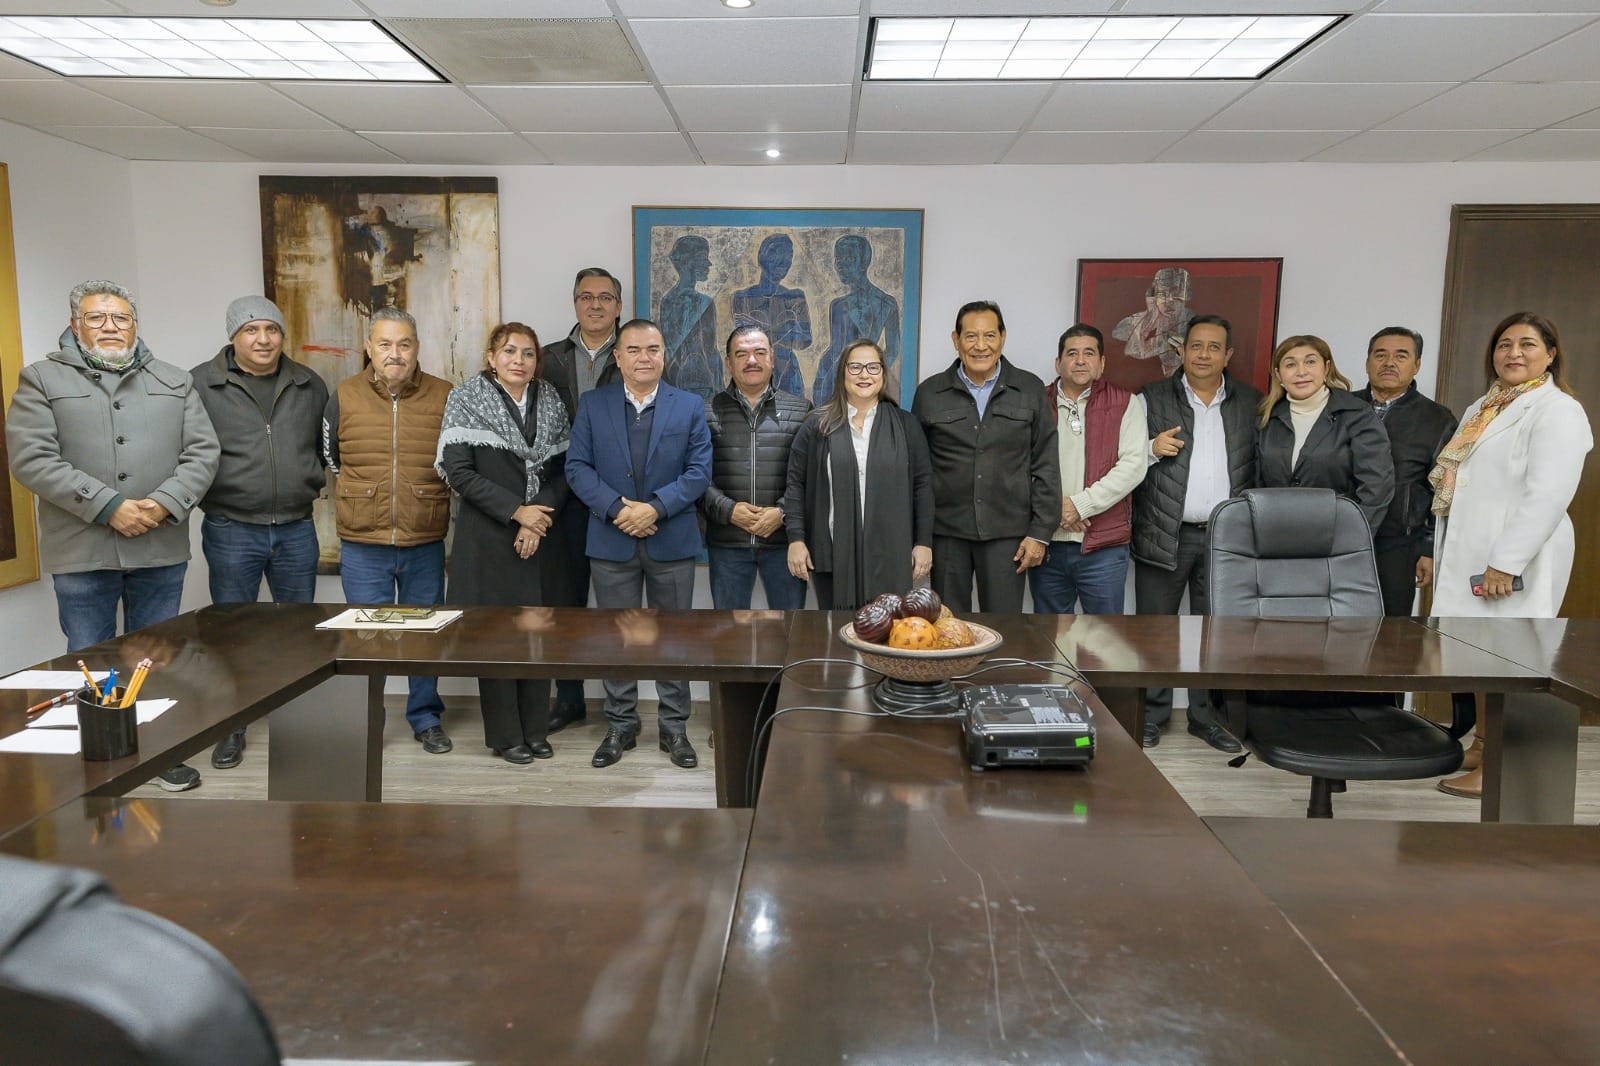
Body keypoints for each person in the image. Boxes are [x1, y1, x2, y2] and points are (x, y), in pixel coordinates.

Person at [6, 280, 219, 792]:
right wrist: (108, 507)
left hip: (159, 546)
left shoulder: (174, 380)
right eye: (96, 317)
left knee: (156, 656)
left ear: (135, 325)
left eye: (120, 318)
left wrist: (163, 503)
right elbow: (32, 459)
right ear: (75, 325)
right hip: (82, 550)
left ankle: (159, 754)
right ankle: (102, 761)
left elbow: (203, 453)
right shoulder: (41, 379)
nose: (109, 326)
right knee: (91, 656)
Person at [1429, 312, 1592, 799]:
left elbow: (1548, 495)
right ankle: (1482, 745)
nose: (1513, 353)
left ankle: (1503, 766)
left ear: (1551, 354)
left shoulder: (1558, 410)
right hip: (1474, 550)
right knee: (1476, 656)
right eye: (1504, 344)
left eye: (1527, 344)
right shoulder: (1487, 405)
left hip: (1514, 557)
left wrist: (1507, 561)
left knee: (1511, 660)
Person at [565, 318, 712, 770]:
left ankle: (674, 729)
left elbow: (699, 472)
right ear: (618, 357)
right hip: (611, 541)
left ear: (664, 355)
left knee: (674, 640)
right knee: (617, 640)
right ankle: (620, 726)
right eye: (633, 350)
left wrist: (655, 509)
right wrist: (618, 510)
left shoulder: (689, 406)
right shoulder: (593, 405)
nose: (643, 357)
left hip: (672, 540)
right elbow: (577, 468)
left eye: (652, 349)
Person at [191, 295, 328, 771]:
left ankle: (300, 725)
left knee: (298, 633)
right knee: (233, 636)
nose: (263, 339)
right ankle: (231, 728)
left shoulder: (309, 383)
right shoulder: (200, 384)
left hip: (296, 527)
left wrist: (308, 480)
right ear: (233, 336)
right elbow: (188, 451)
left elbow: (320, 448)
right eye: (251, 330)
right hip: (231, 528)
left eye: (272, 330)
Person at [322, 306, 454, 756]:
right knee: (366, 638)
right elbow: (331, 456)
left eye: (404, 344)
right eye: (385, 344)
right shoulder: (344, 394)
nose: (395, 353)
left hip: (424, 537)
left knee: (424, 635)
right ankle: (369, 718)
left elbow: (454, 458)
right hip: (364, 542)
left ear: (416, 348)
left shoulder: (443, 394)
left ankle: (426, 717)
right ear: (369, 348)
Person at [437, 323, 570, 765]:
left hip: (541, 536)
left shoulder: (550, 400)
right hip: (489, 537)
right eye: (509, 351)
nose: (519, 360)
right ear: (491, 357)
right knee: (496, 639)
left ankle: (535, 729)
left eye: (528, 353)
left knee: (538, 633)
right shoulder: (465, 399)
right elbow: (459, 472)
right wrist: (517, 512)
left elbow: (565, 470)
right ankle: (505, 735)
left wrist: (536, 519)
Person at [1132, 315, 1261, 752]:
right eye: (1196, 346)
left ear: (1228, 355)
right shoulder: (1151, 398)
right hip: (1164, 531)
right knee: (1156, 630)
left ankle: (1206, 717)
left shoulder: (1251, 403)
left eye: (1214, 347)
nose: (1203, 354)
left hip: (1227, 539)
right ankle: (1151, 714)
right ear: (1182, 351)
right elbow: (1122, 459)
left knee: (1214, 632)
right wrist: (1151, 449)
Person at [911, 300, 1058, 613]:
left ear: (1002, 337)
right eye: (971, 336)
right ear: (956, 340)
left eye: (989, 335)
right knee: (949, 625)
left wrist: (1040, 533)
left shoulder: (1029, 389)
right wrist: (919, 537)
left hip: (1008, 534)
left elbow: (1046, 464)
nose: (981, 346)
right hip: (946, 533)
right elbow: (917, 473)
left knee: (1004, 626)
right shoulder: (930, 393)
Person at [785, 340, 933, 610]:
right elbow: (796, 485)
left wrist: (923, 543)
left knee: (889, 629)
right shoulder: (817, 426)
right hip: (833, 553)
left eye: (873, 367)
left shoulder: (906, 426)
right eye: (855, 367)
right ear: (842, 373)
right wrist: (796, 539)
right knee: (836, 629)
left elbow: (923, 487)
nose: (864, 374)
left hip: (892, 554)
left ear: (883, 373)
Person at [542, 267, 624, 734]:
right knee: (566, 605)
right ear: (575, 303)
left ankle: (621, 709)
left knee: (619, 610)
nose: (595, 305)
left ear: (618, 306)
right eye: (586, 296)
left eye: (605, 297)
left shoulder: (635, 353)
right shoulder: (548, 358)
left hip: (620, 499)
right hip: (564, 497)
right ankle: (569, 697)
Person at [1033, 324, 1148, 615]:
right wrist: (1055, 510)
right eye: (1072, 353)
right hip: (1046, 543)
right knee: (1050, 634)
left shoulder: (1126, 403)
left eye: (1089, 353)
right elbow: (1017, 465)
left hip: (1104, 548)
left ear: (1102, 362)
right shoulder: (1035, 403)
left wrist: (1079, 506)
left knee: (1104, 636)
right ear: (1058, 363)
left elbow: (1133, 466)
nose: (1080, 361)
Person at [703, 325, 811, 610]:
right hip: (727, 544)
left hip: (783, 544)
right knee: (728, 630)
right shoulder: (704, 412)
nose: (752, 360)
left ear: (772, 359)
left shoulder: (801, 411)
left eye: (760, 353)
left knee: (789, 628)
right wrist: (729, 510)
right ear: (728, 362)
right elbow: (694, 476)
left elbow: (810, 477)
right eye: (741, 354)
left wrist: (782, 512)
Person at [1354, 327, 1459, 617]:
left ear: (1417, 365)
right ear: (1367, 362)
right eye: (1380, 355)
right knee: (1334, 623)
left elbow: (1444, 489)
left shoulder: (1437, 418)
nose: (1389, 363)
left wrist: (1428, 548)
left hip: (1399, 542)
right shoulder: (1343, 407)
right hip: (1340, 535)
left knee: (1391, 628)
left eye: (1401, 356)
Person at [1255, 334, 1394, 531]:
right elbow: (1255, 484)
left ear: (1326, 367)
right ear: (1278, 374)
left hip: (1337, 538)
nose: (1301, 372)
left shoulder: (1357, 414)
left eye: (1310, 362)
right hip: (1274, 535)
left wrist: (1351, 538)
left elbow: (1377, 488)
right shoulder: (1266, 418)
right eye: (1290, 364)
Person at [813, 235, 902, 405]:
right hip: (833, 375)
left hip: (863, 379)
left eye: (848, 259)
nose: (841, 265)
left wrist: (873, 370)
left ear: (864, 262)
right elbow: (835, 348)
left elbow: (893, 348)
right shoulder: (838, 305)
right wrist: (822, 378)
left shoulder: (886, 303)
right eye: (838, 259)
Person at [731, 234, 809, 397]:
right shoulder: (742, 297)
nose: (782, 263)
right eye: (776, 255)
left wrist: (762, 328)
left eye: (787, 258)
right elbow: (743, 340)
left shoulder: (795, 296)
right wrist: (784, 328)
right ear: (762, 257)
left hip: (787, 371)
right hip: (753, 369)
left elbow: (804, 340)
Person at [660, 236, 721, 399]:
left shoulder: (667, 301)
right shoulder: (704, 302)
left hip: (679, 379)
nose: (708, 264)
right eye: (702, 258)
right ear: (686, 262)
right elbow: (709, 349)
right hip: (700, 381)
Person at [1113, 266, 1194, 376]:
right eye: (1162, 295)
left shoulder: (1195, 323)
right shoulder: (1150, 317)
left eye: (1175, 294)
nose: (1168, 301)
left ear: (1186, 295)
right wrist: (1151, 316)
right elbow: (1118, 334)